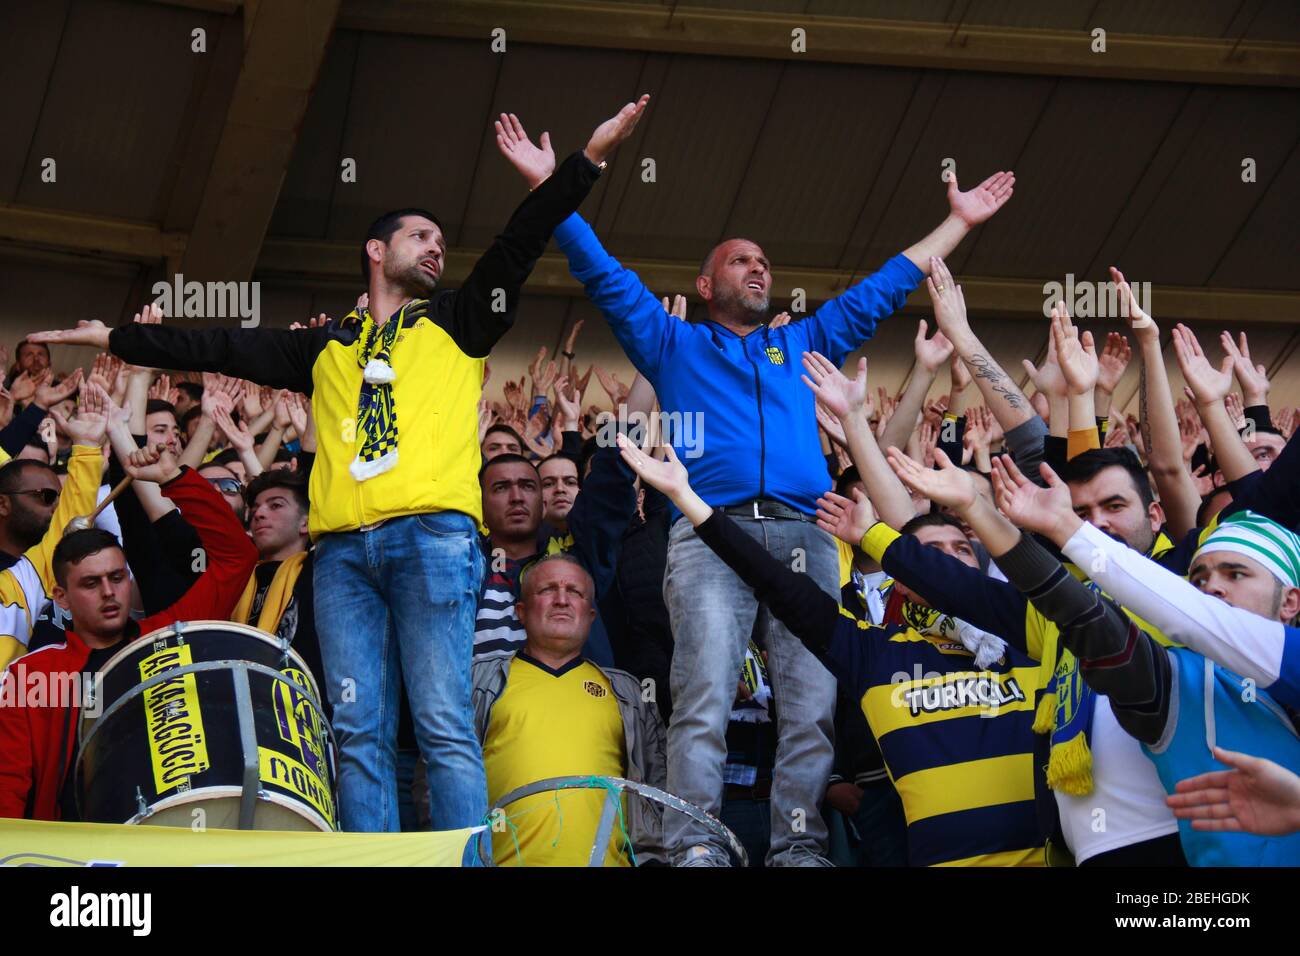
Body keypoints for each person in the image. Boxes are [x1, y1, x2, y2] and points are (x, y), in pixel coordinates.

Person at [31, 101, 650, 833]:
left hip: (434, 540)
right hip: (343, 555)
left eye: (441, 242)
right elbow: (221, 347)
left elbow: (518, 244)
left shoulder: (461, 321)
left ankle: (460, 861)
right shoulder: (324, 346)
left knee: (445, 725)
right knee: (356, 731)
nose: (434, 250)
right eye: (419, 237)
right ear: (374, 251)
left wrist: (585, 164)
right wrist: (119, 337)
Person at [554, 142, 1014, 866]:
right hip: (711, 535)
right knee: (702, 696)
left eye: (764, 261)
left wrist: (956, 223)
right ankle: (696, 846)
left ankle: (798, 845)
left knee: (809, 704)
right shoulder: (671, 342)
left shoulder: (801, 343)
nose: (758, 267)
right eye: (741, 260)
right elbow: (601, 272)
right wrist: (557, 181)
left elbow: (886, 285)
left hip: (806, 534)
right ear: (707, 284)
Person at [619, 435, 1044, 867]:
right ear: (899, 576)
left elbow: (1058, 560)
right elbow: (773, 579)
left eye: (961, 549)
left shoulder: (1032, 641)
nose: (951, 560)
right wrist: (687, 498)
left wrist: (973, 503)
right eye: (931, 553)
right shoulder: (876, 655)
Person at [988, 455, 1300, 865]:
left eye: (1236, 574)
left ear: (1291, 602)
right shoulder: (1174, 680)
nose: (1212, 590)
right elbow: (1085, 617)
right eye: (1199, 579)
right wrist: (984, 512)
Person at [0, 442, 257, 820]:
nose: (108, 592)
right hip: (68, 852)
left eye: (117, 578)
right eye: (90, 583)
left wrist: (173, 479)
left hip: (169, 836)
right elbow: (8, 782)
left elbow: (238, 557)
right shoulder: (33, 675)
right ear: (62, 597)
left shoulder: (171, 636)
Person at [472, 553, 666, 866]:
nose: (562, 599)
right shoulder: (480, 682)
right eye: (547, 590)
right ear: (521, 611)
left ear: (590, 615)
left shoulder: (628, 693)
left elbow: (659, 789)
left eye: (574, 592)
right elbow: (438, 777)